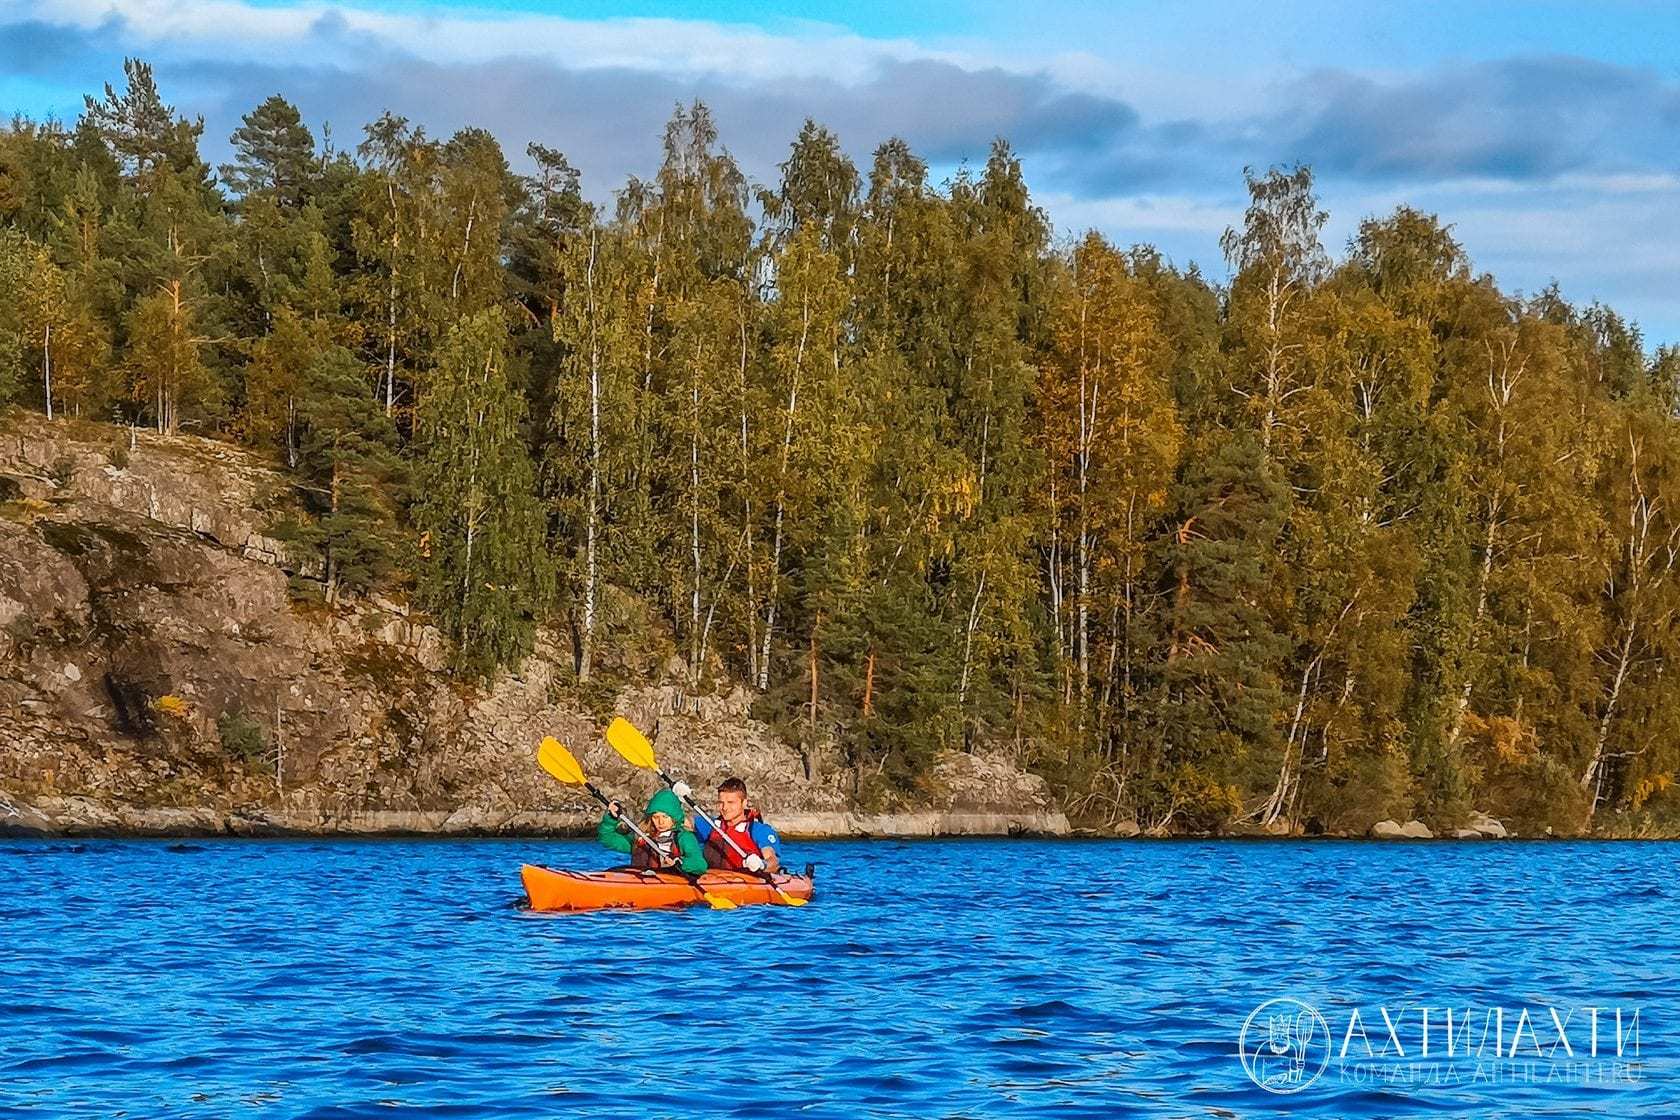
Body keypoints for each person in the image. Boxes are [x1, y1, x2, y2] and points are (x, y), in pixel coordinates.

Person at [682, 776, 781, 873]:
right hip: (712, 880)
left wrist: (761, 864)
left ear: (744, 803)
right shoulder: (712, 826)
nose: (725, 808)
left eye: (730, 802)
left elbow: (773, 862)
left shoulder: (758, 830)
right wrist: (677, 799)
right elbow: (678, 821)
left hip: (745, 884)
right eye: (721, 802)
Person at [597, 788, 707, 875]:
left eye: (665, 817)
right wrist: (611, 819)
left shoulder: (684, 838)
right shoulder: (642, 838)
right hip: (641, 879)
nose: (660, 822)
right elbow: (607, 838)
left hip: (671, 882)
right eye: (656, 817)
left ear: (674, 818)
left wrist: (680, 862)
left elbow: (700, 864)